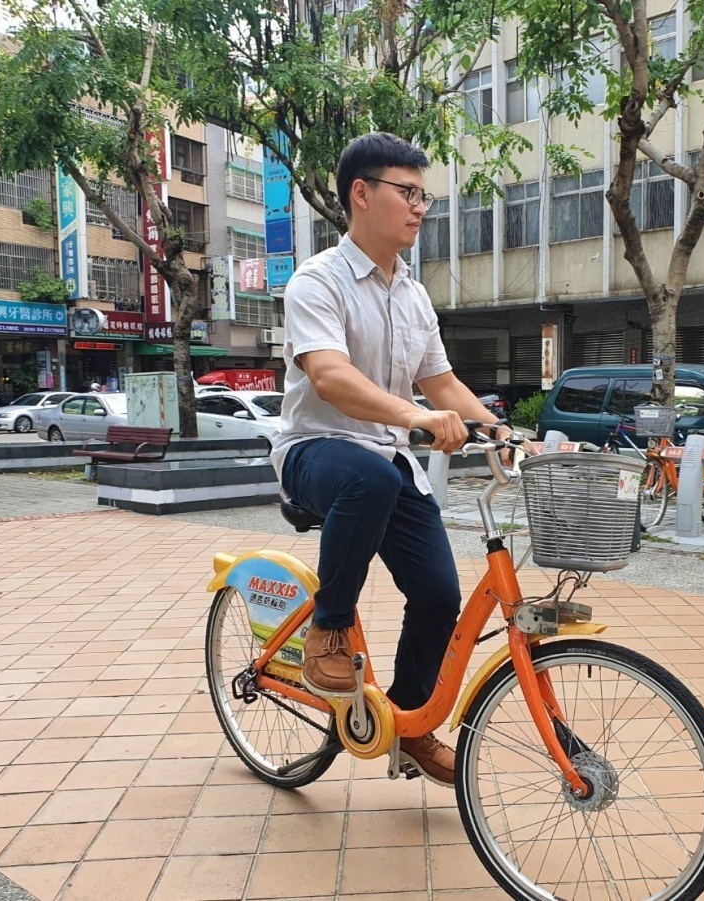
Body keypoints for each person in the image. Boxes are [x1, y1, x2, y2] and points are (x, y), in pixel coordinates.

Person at [273, 132, 516, 787]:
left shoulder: (411, 295)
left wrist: (500, 429)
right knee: (371, 478)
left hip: (386, 465)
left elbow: (441, 381)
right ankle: (326, 634)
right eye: (407, 192)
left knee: (439, 595)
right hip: (314, 454)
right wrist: (412, 417)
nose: (419, 208)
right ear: (362, 193)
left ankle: (409, 728)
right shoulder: (316, 282)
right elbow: (327, 375)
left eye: (423, 195)